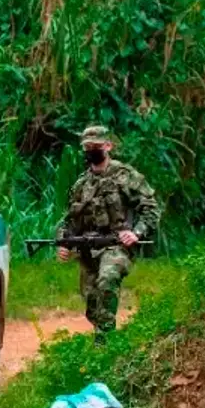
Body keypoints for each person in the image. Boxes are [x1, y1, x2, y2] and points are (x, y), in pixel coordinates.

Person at [56, 126, 160, 345]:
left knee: (107, 279)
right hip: (89, 249)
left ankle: (105, 343)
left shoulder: (125, 176)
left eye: (96, 146)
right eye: (87, 147)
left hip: (117, 245)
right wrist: (64, 241)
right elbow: (70, 219)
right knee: (92, 301)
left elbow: (151, 208)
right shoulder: (81, 184)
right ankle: (103, 338)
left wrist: (136, 233)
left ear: (108, 146)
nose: (91, 151)